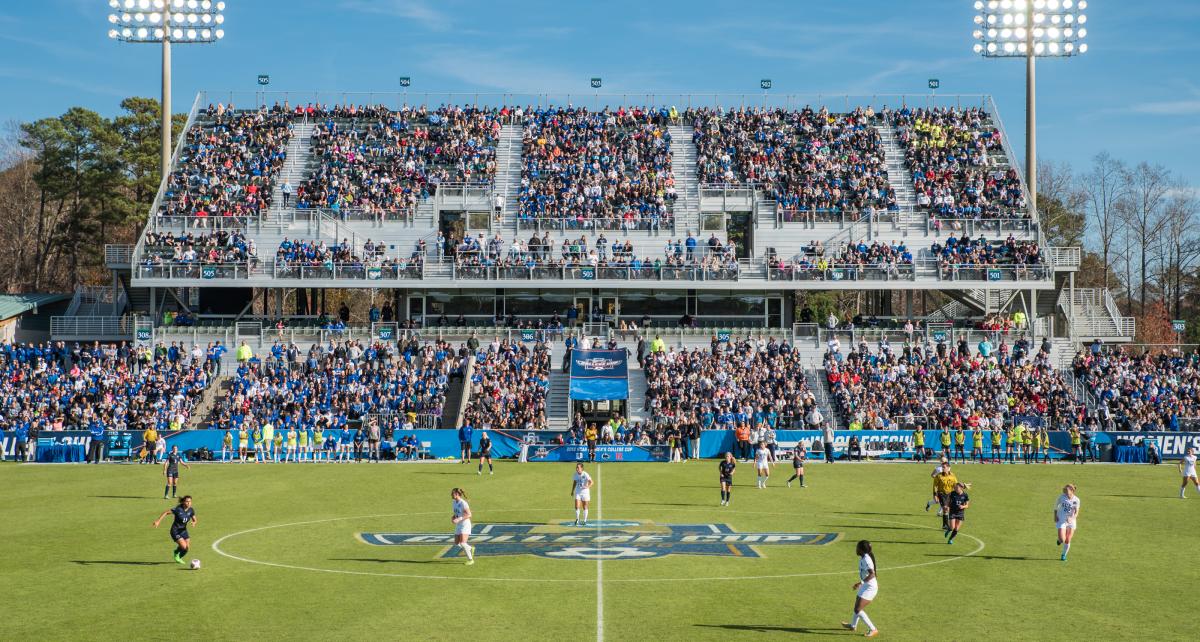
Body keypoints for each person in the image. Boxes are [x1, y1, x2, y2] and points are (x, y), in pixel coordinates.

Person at [842, 540, 880, 638]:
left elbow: (872, 574)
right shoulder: (863, 557)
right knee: (857, 606)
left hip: (870, 588)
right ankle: (853, 626)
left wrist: (860, 583)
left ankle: (873, 629)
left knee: (858, 609)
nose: (856, 549)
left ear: (862, 550)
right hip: (866, 585)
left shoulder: (866, 559)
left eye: (857, 547)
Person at [153, 495, 196, 565]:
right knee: (184, 547)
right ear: (183, 502)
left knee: (187, 548)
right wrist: (158, 521)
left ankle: (178, 556)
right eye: (187, 501)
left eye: (190, 501)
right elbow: (166, 512)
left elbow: (194, 519)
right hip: (175, 531)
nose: (189, 503)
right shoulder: (178, 509)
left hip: (184, 531)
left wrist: (194, 522)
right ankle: (176, 553)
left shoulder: (191, 510)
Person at [1054, 484, 1081, 562]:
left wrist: (1072, 518)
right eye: (1064, 490)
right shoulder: (1061, 497)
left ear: (1072, 491)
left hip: (1071, 521)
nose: (1064, 491)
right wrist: (1055, 516)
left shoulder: (1077, 500)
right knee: (1062, 539)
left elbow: (1076, 512)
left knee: (1068, 539)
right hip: (1061, 519)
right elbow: (1055, 507)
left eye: (1066, 490)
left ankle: (1063, 555)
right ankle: (1059, 540)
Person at [450, 488, 475, 565]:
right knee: (456, 543)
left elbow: (469, 514)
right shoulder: (454, 502)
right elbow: (457, 512)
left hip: (465, 525)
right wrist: (453, 517)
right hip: (459, 524)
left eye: (453, 493)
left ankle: (470, 560)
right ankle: (470, 548)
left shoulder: (463, 503)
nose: (451, 495)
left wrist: (459, 519)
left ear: (457, 494)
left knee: (463, 543)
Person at [933, 462, 958, 533]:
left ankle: (945, 524)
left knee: (947, 509)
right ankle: (946, 525)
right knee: (945, 508)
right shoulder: (939, 476)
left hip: (950, 494)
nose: (942, 468)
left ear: (948, 468)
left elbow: (955, 485)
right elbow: (935, 486)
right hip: (941, 494)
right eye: (942, 467)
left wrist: (963, 486)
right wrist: (935, 495)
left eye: (944, 467)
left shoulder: (953, 476)